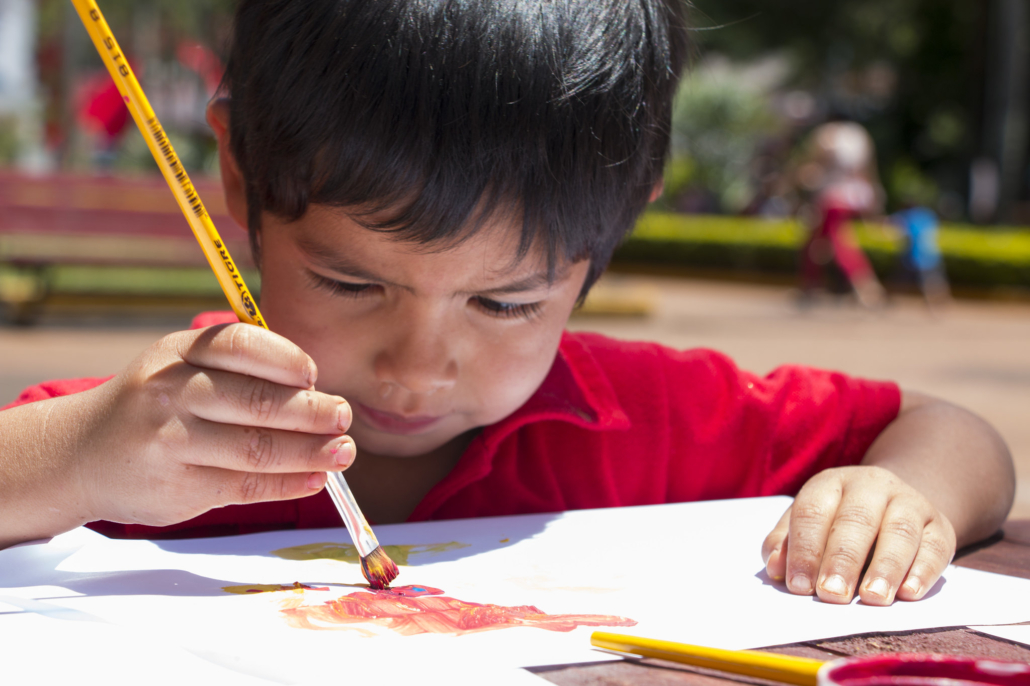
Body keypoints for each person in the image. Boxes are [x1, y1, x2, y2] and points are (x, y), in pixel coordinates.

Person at [0, 0, 1014, 608]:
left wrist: (905, 496)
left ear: (616, 225)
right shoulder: (140, 433)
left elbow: (943, 427)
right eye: (352, 282)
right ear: (237, 178)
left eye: (507, 301)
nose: (416, 364)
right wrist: (75, 454)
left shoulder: (645, 417)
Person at [796, 122, 887, 308]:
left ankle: (866, 288)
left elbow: (814, 166)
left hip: (834, 199)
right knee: (823, 243)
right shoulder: (859, 135)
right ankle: (813, 287)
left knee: (834, 244)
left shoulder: (827, 134)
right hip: (856, 196)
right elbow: (868, 170)